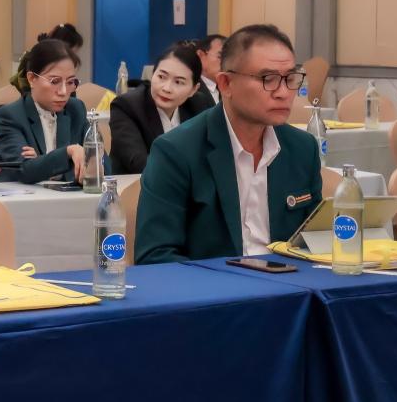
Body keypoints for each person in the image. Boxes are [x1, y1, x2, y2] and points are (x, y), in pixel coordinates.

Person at [135, 24, 322, 264]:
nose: (283, 93)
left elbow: (315, 242)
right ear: (225, 84)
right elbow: (155, 257)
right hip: (214, 285)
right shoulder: (177, 151)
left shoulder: (302, 148)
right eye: (269, 79)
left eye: (291, 78)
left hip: (290, 282)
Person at [0, 39, 87, 184]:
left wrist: (41, 162)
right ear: (32, 78)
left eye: (70, 82)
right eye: (54, 81)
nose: (63, 92)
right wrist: (69, 152)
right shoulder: (10, 115)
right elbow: (24, 170)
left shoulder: (75, 109)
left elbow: (103, 164)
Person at [109, 42, 210, 175]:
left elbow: (211, 154)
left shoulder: (199, 105)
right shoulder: (127, 106)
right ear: (152, 75)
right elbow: (139, 163)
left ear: (193, 90)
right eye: (161, 77)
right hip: (136, 185)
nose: (166, 88)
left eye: (178, 82)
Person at [195, 34, 227, 107]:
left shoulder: (229, 89)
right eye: (220, 56)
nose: (226, 62)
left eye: (228, 58)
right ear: (200, 55)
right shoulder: (190, 90)